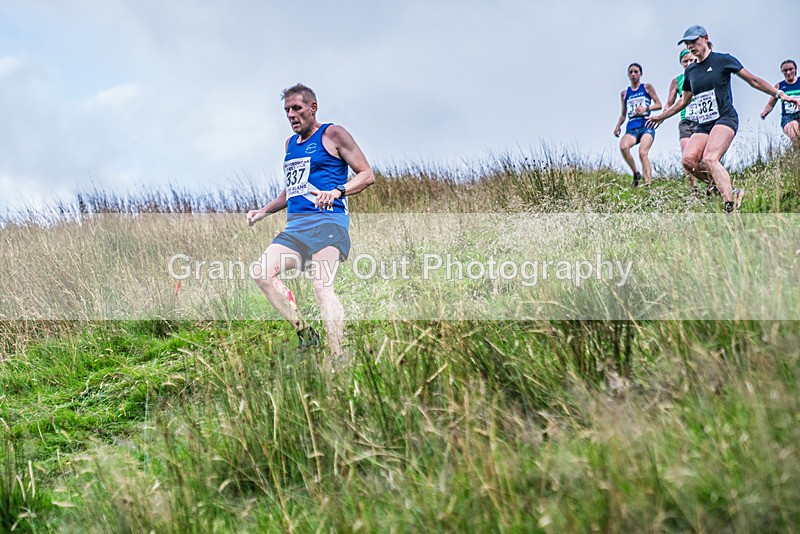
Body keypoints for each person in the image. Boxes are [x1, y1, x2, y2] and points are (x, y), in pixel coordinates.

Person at [247, 83, 375, 361]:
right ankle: (306, 332)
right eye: (287, 111)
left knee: (321, 285)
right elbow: (292, 189)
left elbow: (367, 175)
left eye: (297, 108)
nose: (291, 115)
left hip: (329, 222)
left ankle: (337, 356)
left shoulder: (333, 133)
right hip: (296, 229)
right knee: (261, 273)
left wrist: (338, 191)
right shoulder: (290, 145)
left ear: (312, 108)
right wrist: (264, 211)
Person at [647, 25, 800, 212]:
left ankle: (730, 205)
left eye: (694, 42)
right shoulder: (691, 71)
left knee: (710, 158)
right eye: (688, 44)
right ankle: (728, 188)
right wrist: (661, 117)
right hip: (704, 124)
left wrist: (779, 94)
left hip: (725, 118)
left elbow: (753, 80)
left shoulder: (722, 60)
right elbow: (684, 101)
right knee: (688, 160)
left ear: (705, 38)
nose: (691, 47)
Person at [614, 63, 662, 187]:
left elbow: (658, 104)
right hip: (632, 127)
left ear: (641, 74)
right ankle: (636, 173)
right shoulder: (625, 94)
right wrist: (618, 126)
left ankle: (648, 184)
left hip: (646, 125)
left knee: (642, 152)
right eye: (631, 72)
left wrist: (646, 108)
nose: (633, 74)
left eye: (636, 72)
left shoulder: (647, 87)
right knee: (623, 147)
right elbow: (623, 114)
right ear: (628, 75)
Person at [760, 59, 800, 147]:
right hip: (788, 117)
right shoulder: (779, 86)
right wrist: (765, 112)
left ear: (795, 69)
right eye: (785, 70)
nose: (788, 72)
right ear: (782, 72)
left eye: (790, 69)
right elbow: (771, 103)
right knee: (795, 137)